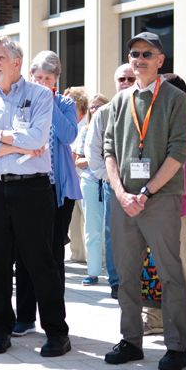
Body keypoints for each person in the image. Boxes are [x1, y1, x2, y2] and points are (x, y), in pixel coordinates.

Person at [0, 37, 70, 359]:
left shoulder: (40, 95)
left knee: (40, 263)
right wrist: (16, 146)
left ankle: (57, 333)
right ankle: (1, 330)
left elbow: (38, 137)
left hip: (32, 189)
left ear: (16, 62)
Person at [103, 31, 186, 370]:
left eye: (146, 54)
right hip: (124, 202)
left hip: (160, 200)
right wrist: (123, 193)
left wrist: (147, 192)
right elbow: (109, 150)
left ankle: (176, 345)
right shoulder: (120, 101)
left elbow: (179, 151)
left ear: (160, 60)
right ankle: (130, 341)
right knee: (126, 275)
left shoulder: (173, 99)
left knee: (170, 273)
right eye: (134, 54)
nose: (138, 59)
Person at [9, 52, 80, 338]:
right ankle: (24, 316)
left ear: (56, 81)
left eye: (47, 79)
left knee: (52, 254)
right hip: (29, 186)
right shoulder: (22, 102)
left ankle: (55, 317)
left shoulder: (64, 103)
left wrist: (48, 103)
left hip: (58, 190)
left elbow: (68, 136)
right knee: (25, 253)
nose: (41, 82)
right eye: (37, 78)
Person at [142, 74, 186, 340]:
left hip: (177, 207)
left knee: (180, 266)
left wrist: (157, 187)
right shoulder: (149, 122)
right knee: (152, 266)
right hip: (148, 208)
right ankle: (154, 318)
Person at [84, 63, 137, 298]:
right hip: (113, 186)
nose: (125, 83)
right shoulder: (105, 113)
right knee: (113, 234)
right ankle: (116, 282)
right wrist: (110, 179)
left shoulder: (147, 110)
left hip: (143, 186)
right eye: (121, 79)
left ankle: (138, 280)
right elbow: (92, 150)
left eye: (130, 78)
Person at [76, 94, 108, 285]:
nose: (95, 110)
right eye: (93, 107)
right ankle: (93, 270)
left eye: (99, 107)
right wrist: (97, 159)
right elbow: (78, 161)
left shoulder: (115, 128)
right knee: (92, 229)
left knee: (114, 230)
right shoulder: (85, 131)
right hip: (90, 182)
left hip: (113, 182)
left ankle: (116, 272)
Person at [63, 86, 90, 265]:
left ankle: (89, 255)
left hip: (81, 176)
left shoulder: (83, 127)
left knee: (85, 218)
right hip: (69, 176)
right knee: (73, 219)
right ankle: (77, 254)